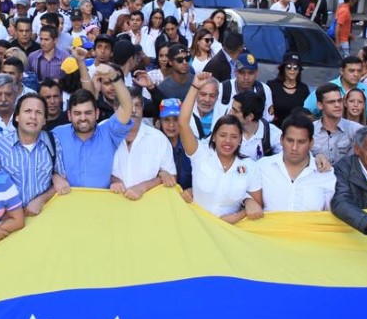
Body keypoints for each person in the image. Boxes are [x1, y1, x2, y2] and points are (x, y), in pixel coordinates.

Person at [178, 73, 261, 222]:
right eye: (222, 135)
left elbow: (257, 204)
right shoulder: (201, 154)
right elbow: (183, 123)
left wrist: (237, 216)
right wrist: (195, 87)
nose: (228, 141)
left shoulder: (249, 166)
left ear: (240, 140)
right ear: (214, 136)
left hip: (229, 232)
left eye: (234, 137)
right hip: (195, 225)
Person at [52, 66, 133, 189]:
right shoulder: (56, 135)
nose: (83, 118)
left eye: (88, 113)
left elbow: (127, 107)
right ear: (69, 115)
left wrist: (114, 77)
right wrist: (55, 177)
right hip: (66, 204)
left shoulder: (109, 132)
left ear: (97, 113)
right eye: (77, 113)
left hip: (102, 204)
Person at [0, 93, 68, 217]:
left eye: (39, 112)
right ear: (17, 116)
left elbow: (61, 183)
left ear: (44, 120)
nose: (33, 116)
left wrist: (41, 199)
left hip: (43, 218)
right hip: (8, 221)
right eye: (27, 111)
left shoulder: (52, 142)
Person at [253, 114, 337, 213]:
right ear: (281, 139)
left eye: (301, 142)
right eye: (290, 140)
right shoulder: (262, 167)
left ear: (311, 143)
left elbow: (330, 215)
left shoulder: (325, 173)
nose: (294, 148)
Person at [110, 88, 176, 199]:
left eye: (138, 105)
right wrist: (113, 180)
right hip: (110, 204)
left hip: (148, 207)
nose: (134, 110)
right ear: (116, 108)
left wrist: (143, 187)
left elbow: (172, 177)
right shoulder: (102, 133)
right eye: (128, 105)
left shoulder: (158, 139)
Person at [303, 56, 367, 120]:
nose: (356, 74)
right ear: (341, 71)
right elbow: (306, 111)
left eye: (359, 71)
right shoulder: (326, 89)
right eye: (351, 71)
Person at [313, 83, 361, 164]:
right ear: (320, 105)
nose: (337, 105)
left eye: (339, 101)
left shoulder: (355, 129)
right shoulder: (310, 130)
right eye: (331, 102)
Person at [267, 53, 309, 126]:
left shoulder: (303, 89)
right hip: (274, 129)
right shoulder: (272, 86)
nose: (292, 70)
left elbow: (306, 112)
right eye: (289, 67)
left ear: (299, 70)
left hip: (297, 129)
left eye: (295, 67)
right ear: (283, 68)